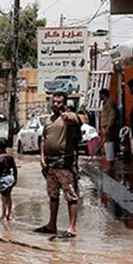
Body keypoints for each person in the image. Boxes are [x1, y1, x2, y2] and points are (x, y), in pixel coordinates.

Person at [35, 92, 82, 238]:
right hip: (50, 165)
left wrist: (66, 115)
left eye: (59, 102)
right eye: (54, 102)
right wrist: (42, 157)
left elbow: (75, 120)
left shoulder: (68, 118)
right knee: (53, 195)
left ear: (65, 104)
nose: (55, 104)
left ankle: (72, 228)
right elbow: (43, 139)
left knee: (70, 196)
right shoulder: (49, 120)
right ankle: (51, 225)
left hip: (64, 163)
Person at [0, 137, 18, 222]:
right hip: (10, 178)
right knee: (9, 197)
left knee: (3, 198)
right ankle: (9, 215)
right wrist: (15, 179)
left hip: (2, 179)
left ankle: (4, 215)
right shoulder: (10, 157)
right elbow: (15, 169)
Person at [98, 89, 119, 174]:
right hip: (106, 127)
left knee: (109, 145)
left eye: (100, 95)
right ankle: (110, 164)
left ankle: (111, 165)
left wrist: (108, 128)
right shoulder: (106, 103)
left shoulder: (109, 103)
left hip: (109, 128)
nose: (99, 97)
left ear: (103, 95)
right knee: (107, 145)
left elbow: (112, 115)